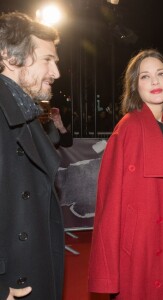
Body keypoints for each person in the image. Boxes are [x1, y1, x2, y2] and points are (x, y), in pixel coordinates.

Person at [88, 49, 163, 299]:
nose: (155, 81)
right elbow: (110, 202)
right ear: (134, 86)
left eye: (160, 74)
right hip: (146, 248)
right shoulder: (129, 128)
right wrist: (108, 270)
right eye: (145, 76)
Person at [0, 12, 64, 299]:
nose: (56, 72)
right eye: (47, 59)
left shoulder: (24, 113)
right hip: (15, 280)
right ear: (11, 58)